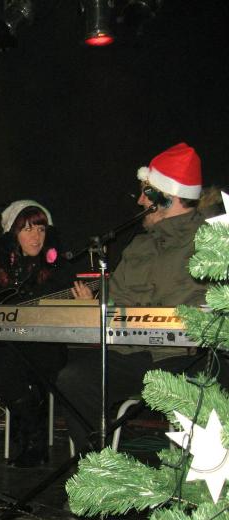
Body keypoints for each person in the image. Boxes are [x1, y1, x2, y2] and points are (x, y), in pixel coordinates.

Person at [62, 142, 209, 453]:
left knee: (204, 389)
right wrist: (95, 309)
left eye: (146, 193)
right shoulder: (139, 245)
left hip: (186, 357)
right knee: (74, 379)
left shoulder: (210, 241)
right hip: (132, 354)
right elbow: (117, 301)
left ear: (165, 197)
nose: (140, 200)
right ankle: (98, 470)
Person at [0, 200, 76, 468]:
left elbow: (60, 306)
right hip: (6, 343)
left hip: (44, 345)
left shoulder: (58, 265)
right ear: (13, 234)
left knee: (4, 365)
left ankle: (35, 441)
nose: (36, 236)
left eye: (41, 229)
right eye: (27, 229)